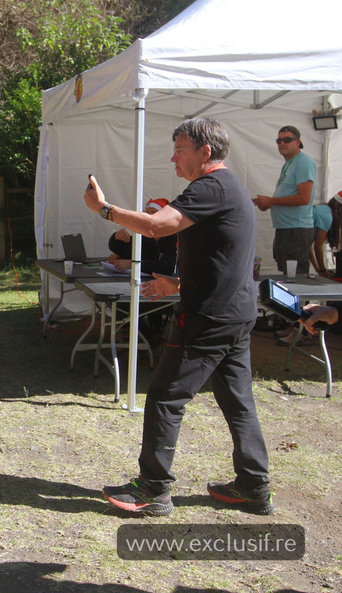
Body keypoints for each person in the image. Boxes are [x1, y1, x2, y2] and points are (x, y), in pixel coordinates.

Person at [84, 116, 274, 517]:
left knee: (166, 397)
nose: (173, 157)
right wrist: (179, 282)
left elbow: (155, 228)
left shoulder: (210, 187)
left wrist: (104, 210)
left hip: (209, 317)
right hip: (234, 313)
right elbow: (224, 258)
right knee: (238, 402)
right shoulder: (227, 188)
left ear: (206, 153)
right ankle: (253, 487)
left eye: (180, 150)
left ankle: (153, 489)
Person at [253, 125, 316, 274]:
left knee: (296, 276)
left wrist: (271, 202)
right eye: (279, 140)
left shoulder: (303, 162)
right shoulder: (289, 164)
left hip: (296, 229)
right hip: (285, 228)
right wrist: (267, 204)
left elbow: (304, 198)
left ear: (298, 142)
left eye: (287, 140)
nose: (282, 143)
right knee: (287, 273)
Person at [107, 199, 177, 275]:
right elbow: (125, 248)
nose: (149, 216)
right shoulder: (145, 235)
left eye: (154, 212)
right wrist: (116, 238)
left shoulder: (173, 237)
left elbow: (167, 267)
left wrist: (133, 264)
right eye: (147, 213)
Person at [309, 192, 342, 278]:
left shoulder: (322, 209)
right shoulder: (326, 215)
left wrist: (319, 269)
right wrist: (323, 270)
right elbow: (318, 248)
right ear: (337, 205)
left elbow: (308, 246)